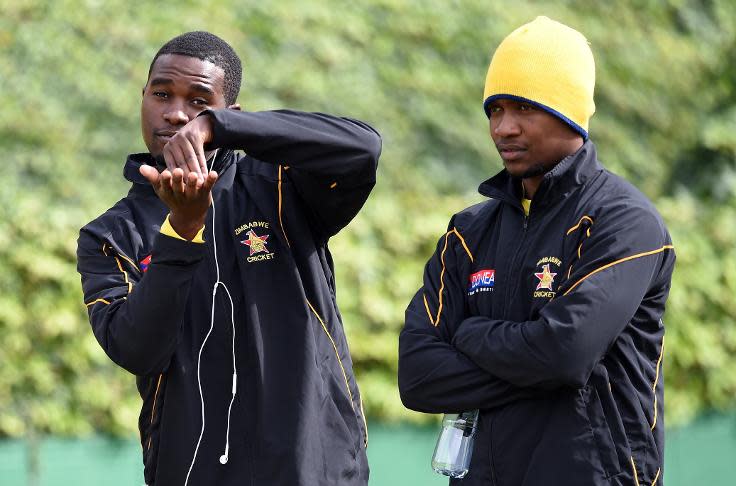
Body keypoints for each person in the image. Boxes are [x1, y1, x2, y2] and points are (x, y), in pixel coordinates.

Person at [77, 31, 380, 486]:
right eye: (161, 94)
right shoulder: (110, 234)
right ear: (143, 98)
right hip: (190, 471)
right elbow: (137, 349)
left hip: (314, 466)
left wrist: (220, 129)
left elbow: (364, 149)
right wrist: (181, 231)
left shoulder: (282, 185)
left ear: (227, 115)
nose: (176, 113)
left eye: (199, 102)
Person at [399, 16, 675, 486]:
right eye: (494, 110)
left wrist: (469, 333)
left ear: (569, 112)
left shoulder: (625, 221)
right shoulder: (468, 231)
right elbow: (418, 377)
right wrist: (541, 367)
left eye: (524, 107)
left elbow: (565, 354)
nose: (503, 128)